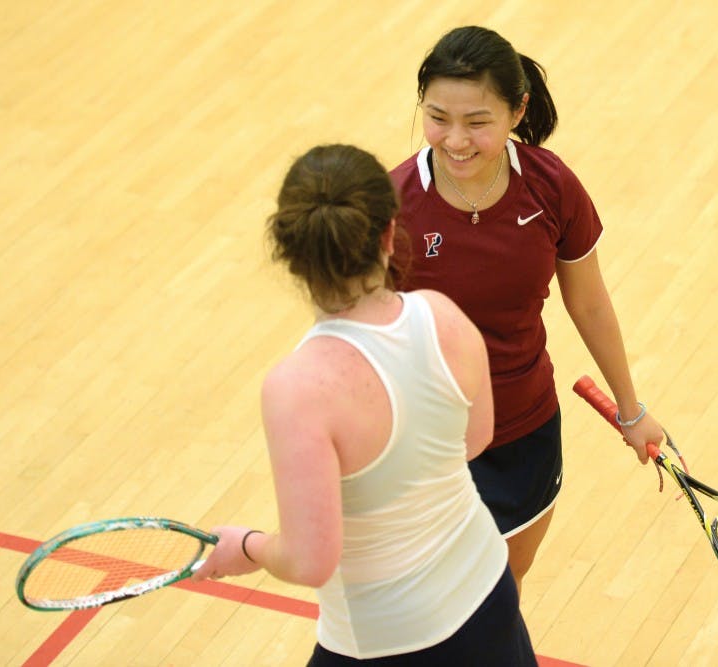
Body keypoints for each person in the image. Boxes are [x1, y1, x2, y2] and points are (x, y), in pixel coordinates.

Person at [193, 144, 537, 665]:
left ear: (290, 255)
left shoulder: (298, 386)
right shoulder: (441, 315)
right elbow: (477, 438)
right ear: (386, 235)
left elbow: (310, 560)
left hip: (386, 643)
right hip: (486, 591)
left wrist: (243, 546)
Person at [390, 26, 667, 595]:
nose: (456, 140)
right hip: (426, 439)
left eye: (477, 122)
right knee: (431, 601)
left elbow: (587, 301)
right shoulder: (392, 207)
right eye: (438, 117)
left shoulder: (550, 186)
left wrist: (632, 410)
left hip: (523, 430)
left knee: (501, 589)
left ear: (517, 111)